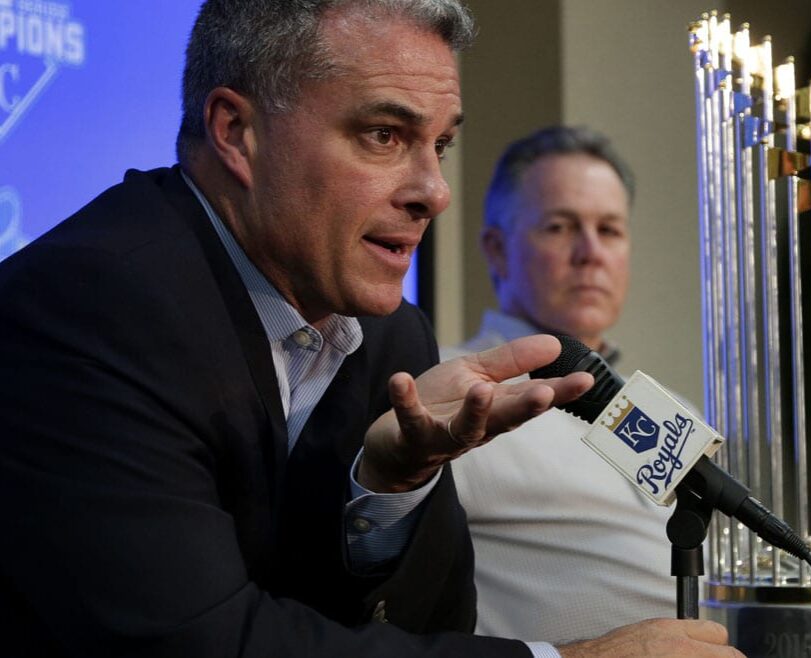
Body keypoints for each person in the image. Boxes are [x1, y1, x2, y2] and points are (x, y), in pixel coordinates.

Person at [0, 2, 741, 657]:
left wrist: (390, 489)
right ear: (235, 131)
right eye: (385, 135)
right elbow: (202, 642)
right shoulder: (83, 306)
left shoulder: (390, 338)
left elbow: (430, 628)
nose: (434, 192)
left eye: (441, 145)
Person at [444, 126, 676, 644]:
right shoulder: (450, 391)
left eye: (610, 230)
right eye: (559, 227)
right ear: (497, 250)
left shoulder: (671, 409)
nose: (590, 252)